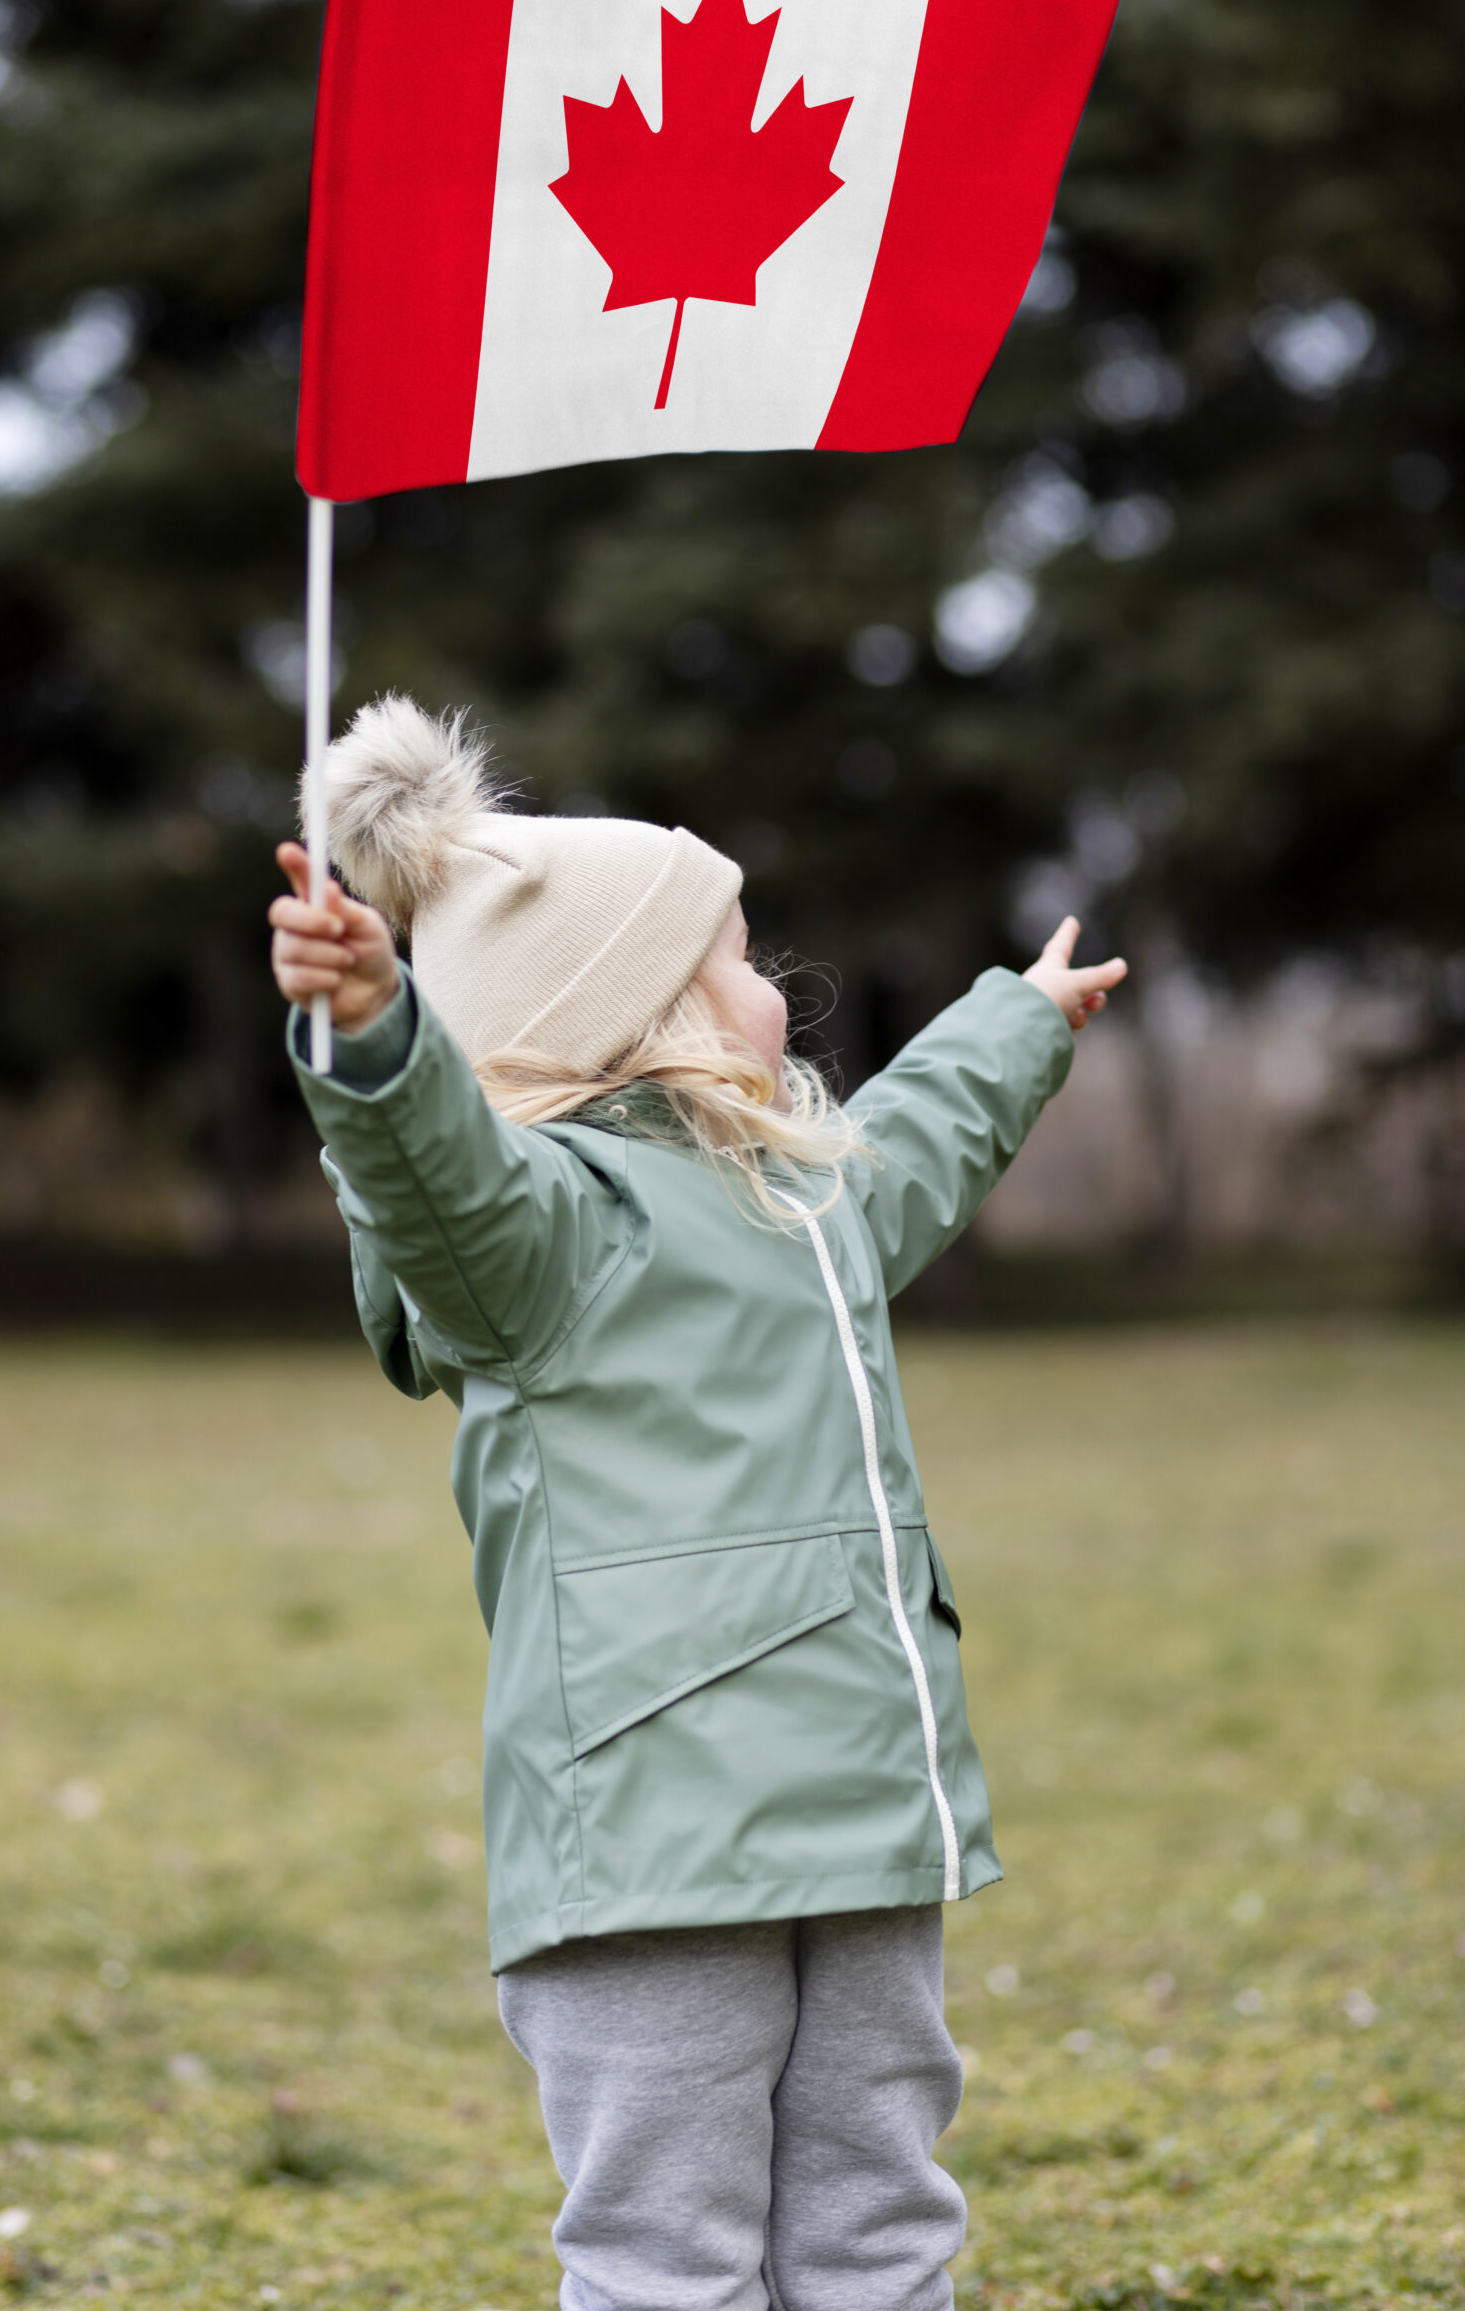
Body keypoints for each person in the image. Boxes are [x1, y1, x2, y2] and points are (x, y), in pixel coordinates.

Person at [267, 693, 1125, 2311]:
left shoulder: (805, 1203)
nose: (772, 987)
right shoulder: (538, 1239)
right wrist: (378, 1043)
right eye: (735, 956)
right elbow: (433, 1175)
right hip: (653, 1839)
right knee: (671, 2251)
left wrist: (1017, 1024)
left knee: (881, 2215)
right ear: (627, 1008)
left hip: (866, 1803)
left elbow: (916, 1143)